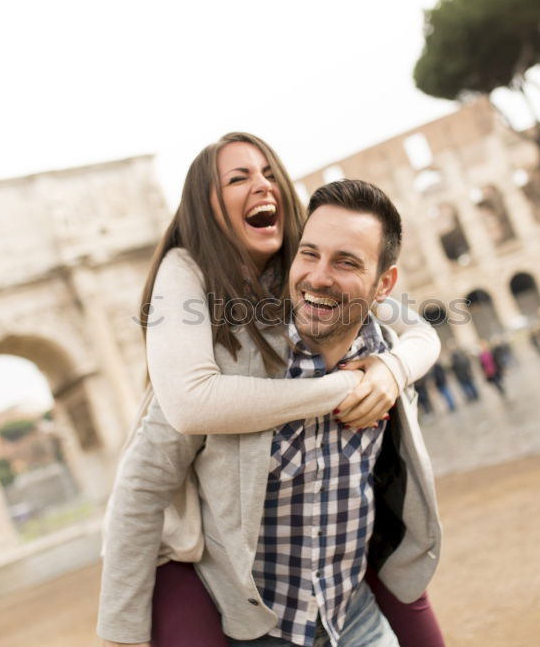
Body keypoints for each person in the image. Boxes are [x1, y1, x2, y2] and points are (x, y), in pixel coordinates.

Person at [98, 137, 444, 646]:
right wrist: (342, 387)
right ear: (206, 208)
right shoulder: (194, 294)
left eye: (266, 173)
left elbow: (419, 332)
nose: (260, 184)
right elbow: (184, 416)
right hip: (251, 610)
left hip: (351, 612)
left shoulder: (351, 312)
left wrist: (391, 370)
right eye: (237, 179)